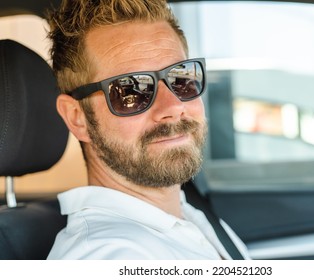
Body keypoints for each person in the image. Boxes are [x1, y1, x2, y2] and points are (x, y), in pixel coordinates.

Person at [46, 0, 250, 260]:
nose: (174, 106)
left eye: (181, 78)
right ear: (77, 118)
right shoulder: (106, 256)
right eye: (131, 90)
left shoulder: (186, 215)